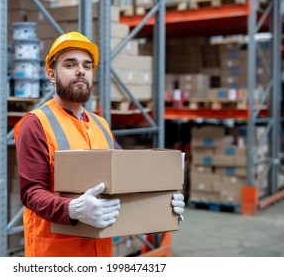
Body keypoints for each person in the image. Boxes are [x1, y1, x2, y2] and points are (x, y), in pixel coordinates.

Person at [14, 31, 185, 257]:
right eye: (70, 64)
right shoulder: (36, 123)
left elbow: (119, 187)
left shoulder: (101, 125)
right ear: (52, 74)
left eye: (87, 66)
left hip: (100, 250)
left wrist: (163, 203)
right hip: (55, 253)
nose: (80, 71)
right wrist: (72, 209)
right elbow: (31, 192)